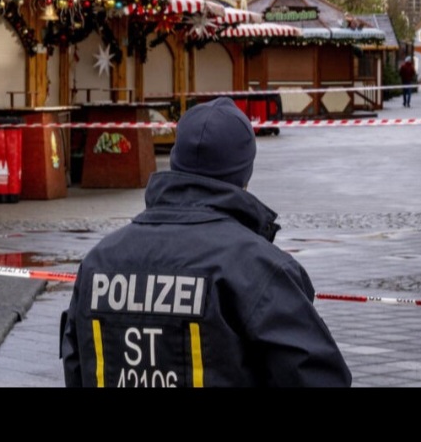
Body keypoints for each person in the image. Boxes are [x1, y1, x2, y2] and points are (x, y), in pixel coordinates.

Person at [61, 97, 352, 389]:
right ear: (244, 174)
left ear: (176, 161)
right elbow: (319, 377)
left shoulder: (99, 262)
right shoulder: (259, 269)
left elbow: (76, 367)